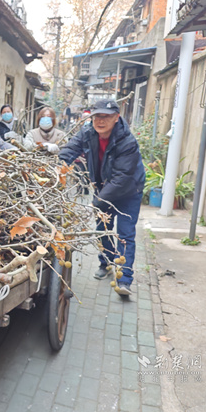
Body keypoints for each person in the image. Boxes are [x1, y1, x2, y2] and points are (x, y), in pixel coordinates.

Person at [59, 99, 145, 297]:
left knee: (125, 235)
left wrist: (94, 203)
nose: (100, 120)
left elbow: (121, 178)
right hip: (103, 186)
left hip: (129, 191)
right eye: (97, 116)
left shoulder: (127, 141)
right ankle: (105, 263)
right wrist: (57, 167)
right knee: (102, 229)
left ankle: (124, 280)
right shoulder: (87, 133)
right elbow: (70, 150)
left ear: (116, 118)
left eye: (106, 116)